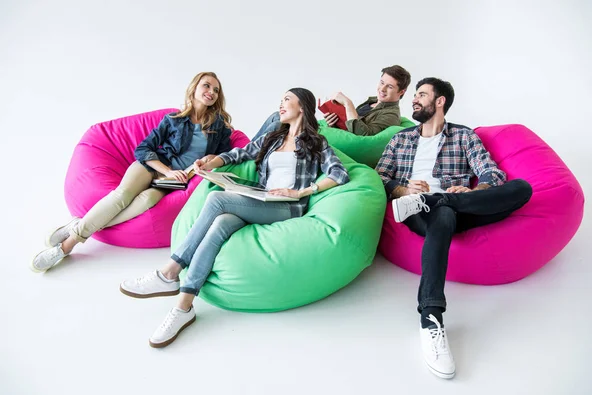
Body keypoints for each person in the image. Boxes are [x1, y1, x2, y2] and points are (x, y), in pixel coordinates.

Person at [119, 88, 349, 348]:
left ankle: (170, 271)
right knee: (221, 223)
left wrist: (302, 191)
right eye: (281, 100)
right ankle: (184, 307)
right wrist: (211, 162)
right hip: (262, 200)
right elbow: (240, 154)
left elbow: (340, 174)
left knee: (217, 199)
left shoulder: (316, 142)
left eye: (286, 99)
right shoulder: (273, 138)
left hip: (289, 206)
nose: (281, 105)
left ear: (302, 107)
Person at [376, 78, 532, 379]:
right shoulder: (400, 139)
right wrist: (404, 190)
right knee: (443, 214)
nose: (415, 100)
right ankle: (431, 317)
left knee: (522, 188)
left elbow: (490, 171)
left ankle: (442, 199)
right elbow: (378, 177)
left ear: (440, 101)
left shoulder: (463, 136)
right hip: (414, 207)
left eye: (422, 95)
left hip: (459, 203)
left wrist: (476, 190)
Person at [32, 72, 233, 273]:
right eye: (206, 86)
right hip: (152, 166)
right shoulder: (173, 119)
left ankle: (79, 225)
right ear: (195, 88)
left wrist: (208, 159)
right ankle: (66, 246)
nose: (211, 92)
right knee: (122, 196)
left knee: (146, 201)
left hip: (175, 181)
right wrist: (167, 171)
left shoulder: (219, 128)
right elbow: (144, 149)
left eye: (216, 90)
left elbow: (223, 156)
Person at [254, 65, 411, 139]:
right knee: (277, 115)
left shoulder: (391, 115)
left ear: (401, 91)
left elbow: (364, 136)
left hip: (329, 139)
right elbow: (349, 126)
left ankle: (240, 158)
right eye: (381, 82)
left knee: (279, 126)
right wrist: (333, 122)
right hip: (330, 131)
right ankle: (241, 154)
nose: (382, 88)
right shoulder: (371, 103)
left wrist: (348, 104)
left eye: (389, 86)